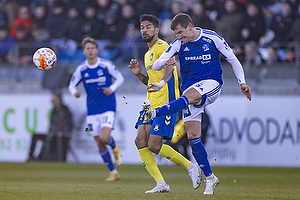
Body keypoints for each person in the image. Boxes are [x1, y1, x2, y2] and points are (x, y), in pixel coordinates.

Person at [143, 13, 252, 195]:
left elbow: (233, 59)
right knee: (193, 136)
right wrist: (165, 61)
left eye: (180, 32)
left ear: (190, 27)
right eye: (176, 34)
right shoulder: (178, 44)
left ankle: (154, 113)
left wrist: (242, 82)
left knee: (189, 96)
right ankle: (210, 178)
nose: (178, 37)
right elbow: (156, 65)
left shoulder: (212, 38)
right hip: (190, 89)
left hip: (211, 84)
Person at [129, 14, 201, 194]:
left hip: (167, 101)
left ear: (156, 29)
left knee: (153, 145)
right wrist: (139, 74)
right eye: (142, 27)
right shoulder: (147, 54)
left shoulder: (163, 47)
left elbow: (170, 65)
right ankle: (161, 183)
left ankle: (191, 166)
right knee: (139, 140)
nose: (144, 30)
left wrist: (163, 82)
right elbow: (150, 82)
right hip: (150, 102)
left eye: (148, 27)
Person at [68, 36, 124, 181]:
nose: (90, 51)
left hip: (108, 106)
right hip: (92, 109)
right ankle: (113, 172)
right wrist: (75, 93)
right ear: (84, 51)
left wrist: (111, 88)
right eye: (88, 48)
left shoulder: (106, 65)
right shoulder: (82, 69)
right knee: (99, 142)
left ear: (97, 50)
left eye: (93, 48)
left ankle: (114, 145)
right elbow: (71, 85)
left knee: (105, 138)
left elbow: (120, 78)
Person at [27, 92, 73, 162]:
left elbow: (67, 126)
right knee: (35, 136)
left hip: (60, 137)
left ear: (59, 100)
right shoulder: (53, 111)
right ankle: (31, 157)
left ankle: (40, 157)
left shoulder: (65, 111)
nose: (52, 102)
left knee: (49, 140)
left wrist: (57, 132)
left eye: (54, 100)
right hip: (51, 135)